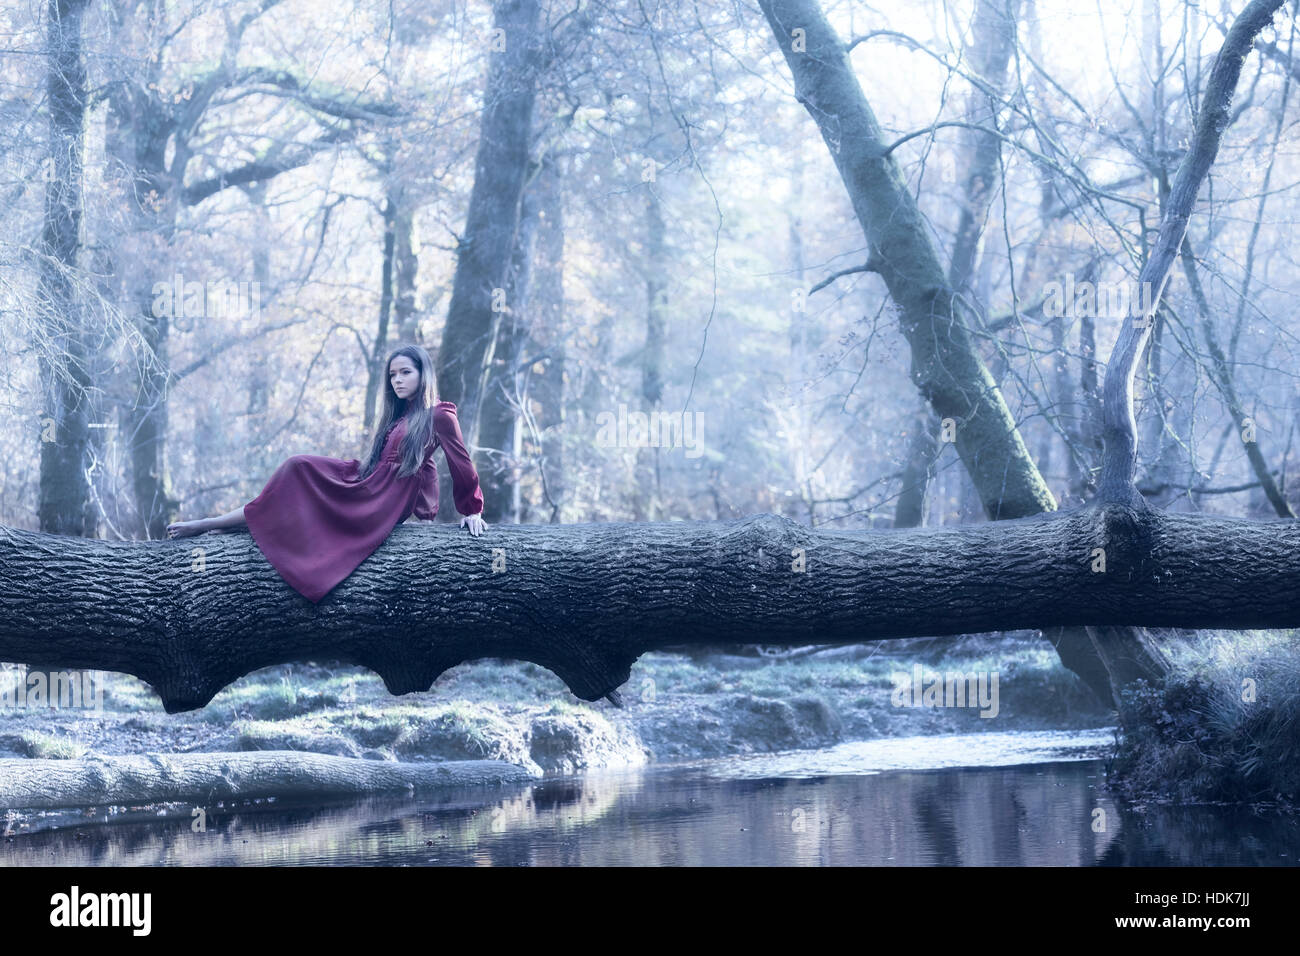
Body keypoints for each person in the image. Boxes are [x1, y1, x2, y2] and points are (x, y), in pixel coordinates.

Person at [166, 344, 488, 603]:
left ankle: (210, 524)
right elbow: (421, 464)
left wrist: (471, 510)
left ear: (423, 374)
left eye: (406, 372)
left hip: (380, 499)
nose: (397, 380)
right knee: (297, 468)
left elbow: (459, 463)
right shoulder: (399, 416)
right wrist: (426, 510)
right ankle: (223, 525)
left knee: (300, 481)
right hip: (368, 479)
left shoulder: (440, 415)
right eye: (392, 375)